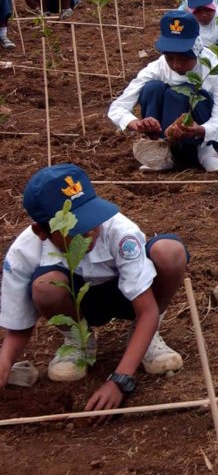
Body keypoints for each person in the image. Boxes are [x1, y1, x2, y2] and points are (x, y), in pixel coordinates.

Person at [0, 163, 187, 404]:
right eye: (75, 227)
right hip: (78, 305)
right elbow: (18, 325)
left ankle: (147, 337)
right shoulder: (23, 252)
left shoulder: (119, 232)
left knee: (170, 252)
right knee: (45, 286)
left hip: (130, 298)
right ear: (41, 231)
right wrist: (5, 362)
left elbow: (147, 309)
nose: (89, 231)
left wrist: (120, 380)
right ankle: (78, 340)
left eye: (91, 217)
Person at [108, 11, 218, 172]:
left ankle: (205, 151)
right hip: (167, 135)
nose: (176, 65)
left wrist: (199, 130)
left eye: (184, 59)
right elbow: (117, 107)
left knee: (182, 93)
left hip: (201, 135)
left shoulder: (214, 70)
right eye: (170, 58)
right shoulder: (157, 68)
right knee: (152, 88)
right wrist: (138, 124)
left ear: (197, 50)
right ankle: (162, 151)